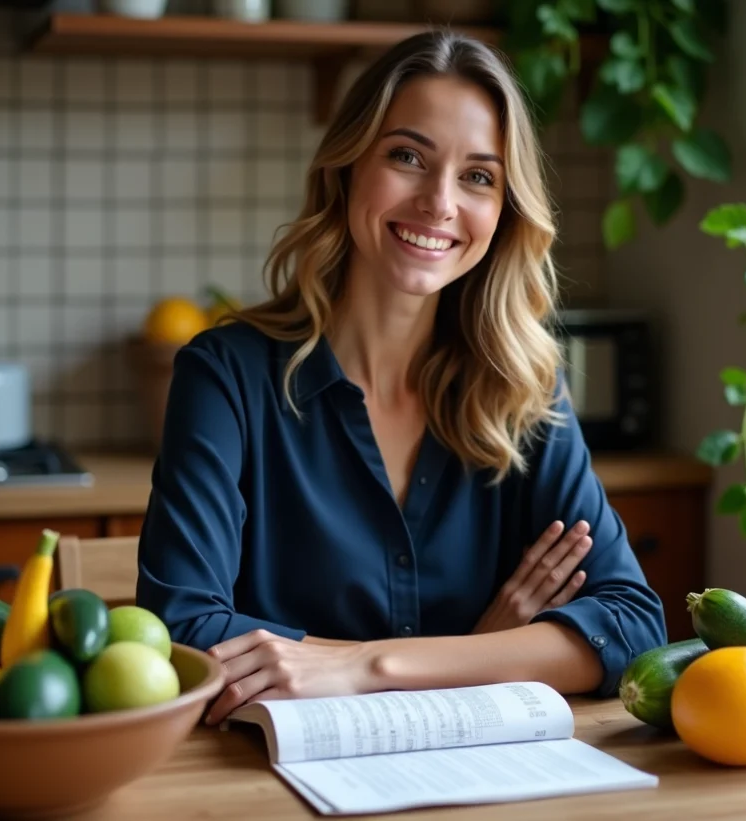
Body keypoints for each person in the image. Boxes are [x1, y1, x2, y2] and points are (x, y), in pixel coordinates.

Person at [135, 30, 667, 726]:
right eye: (408, 156)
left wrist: (367, 666)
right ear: (348, 166)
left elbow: (630, 628)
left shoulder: (524, 391)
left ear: (504, 210)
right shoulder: (226, 376)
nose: (439, 202)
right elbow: (183, 635)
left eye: (478, 175)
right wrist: (488, 650)